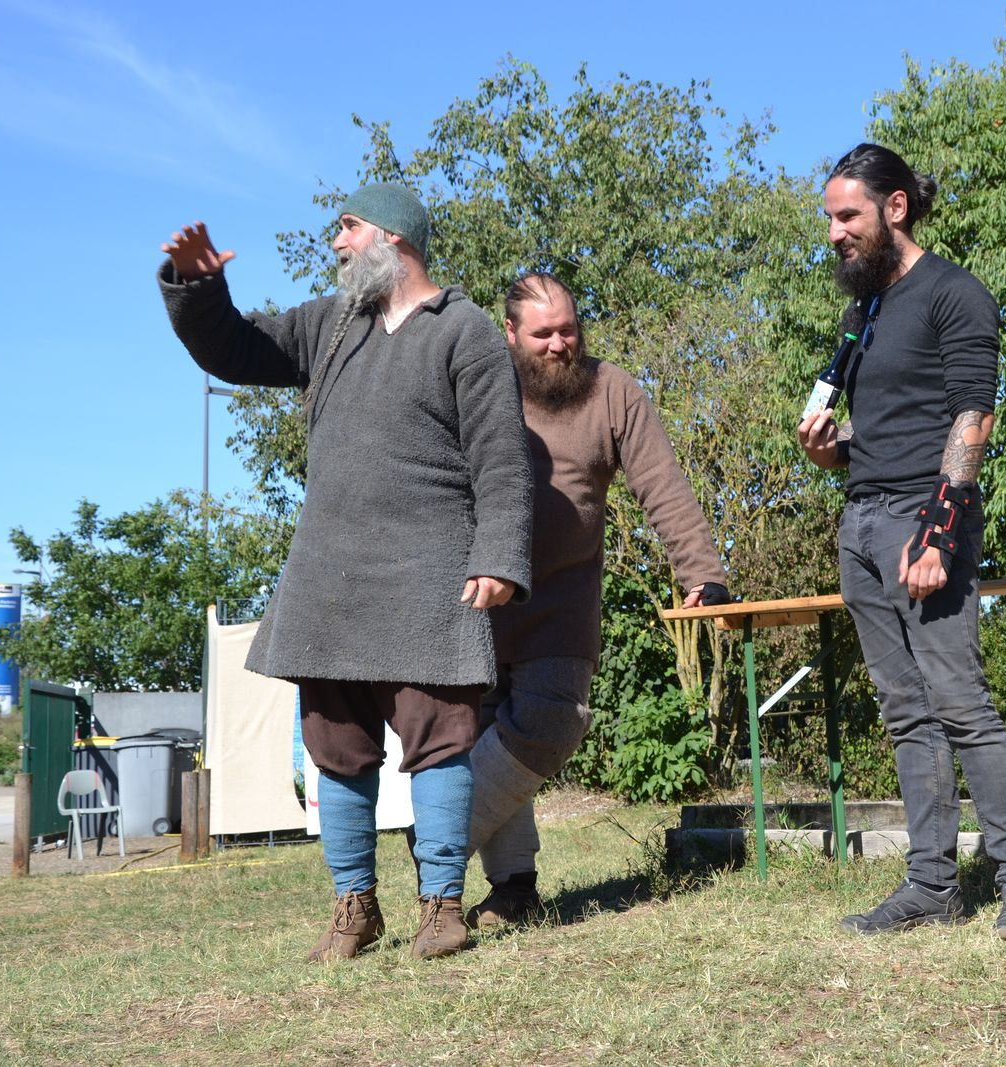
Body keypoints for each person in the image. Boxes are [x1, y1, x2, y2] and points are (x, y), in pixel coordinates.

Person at [157, 184, 534, 961]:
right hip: (330, 575)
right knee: (335, 748)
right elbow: (237, 349)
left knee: (441, 744)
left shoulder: (463, 329)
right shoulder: (329, 324)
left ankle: (441, 905)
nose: (337, 243)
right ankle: (354, 907)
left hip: (431, 574)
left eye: (349, 227)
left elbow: (502, 456)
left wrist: (498, 556)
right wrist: (199, 288)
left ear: (393, 238)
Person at [796, 144, 1006, 940]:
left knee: (960, 704)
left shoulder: (954, 292)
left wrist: (940, 529)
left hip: (925, 518)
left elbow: (973, 416)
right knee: (907, 712)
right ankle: (932, 885)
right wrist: (828, 450)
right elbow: (875, 438)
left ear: (896, 207)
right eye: (830, 219)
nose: (835, 233)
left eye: (848, 216)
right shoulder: (864, 312)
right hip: (862, 521)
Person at [463, 273, 728, 927]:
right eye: (543, 334)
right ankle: (515, 889)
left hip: (562, 602)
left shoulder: (613, 390)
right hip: (475, 600)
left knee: (553, 720)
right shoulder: (478, 386)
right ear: (509, 333)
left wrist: (701, 570)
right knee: (484, 735)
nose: (560, 344)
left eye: (569, 330)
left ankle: (433, 849)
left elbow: (661, 483)